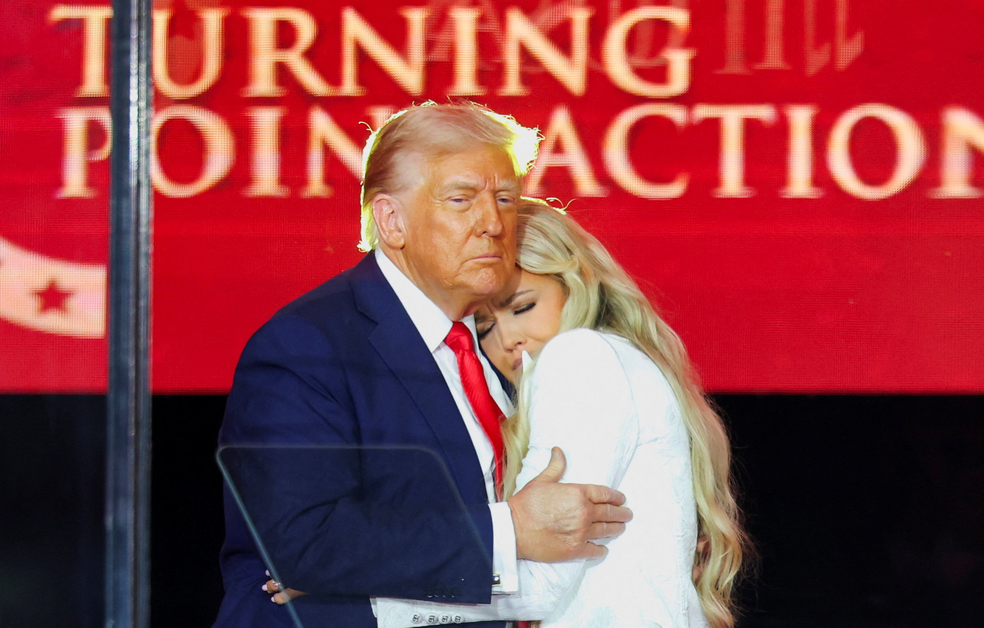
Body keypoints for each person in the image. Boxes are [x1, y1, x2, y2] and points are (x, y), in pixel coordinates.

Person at [212, 104, 633, 628]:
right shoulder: (305, 344)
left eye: (505, 198)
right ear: (391, 221)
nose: (492, 223)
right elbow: (304, 540)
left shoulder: (505, 345)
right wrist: (508, 533)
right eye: (462, 199)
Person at [358, 201, 749, 627]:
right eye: (484, 328)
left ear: (575, 281)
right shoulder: (621, 360)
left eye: (522, 307)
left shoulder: (579, 358)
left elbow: (541, 581)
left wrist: (364, 585)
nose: (507, 339)